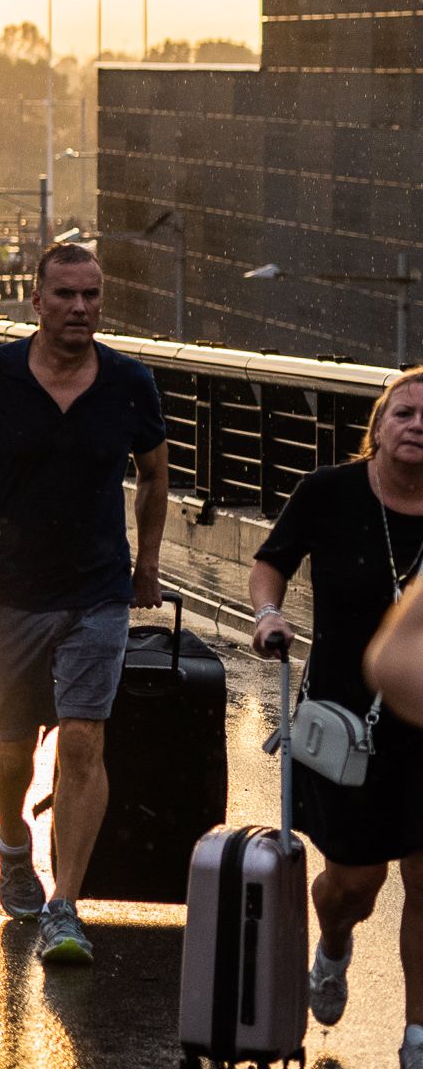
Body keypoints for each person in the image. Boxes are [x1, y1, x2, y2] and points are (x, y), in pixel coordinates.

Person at [0, 245, 170, 968]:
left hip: (98, 590)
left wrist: (145, 564)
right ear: (36, 300)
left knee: (84, 740)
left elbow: (153, 476)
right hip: (13, 592)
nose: (80, 308)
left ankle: (64, 906)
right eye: (65, 295)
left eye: (91, 295)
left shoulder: (129, 383)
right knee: (12, 748)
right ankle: (13, 839)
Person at [251, 370, 423, 1049]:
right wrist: (267, 615)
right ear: (378, 427)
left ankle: (416, 1038)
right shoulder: (329, 492)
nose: (418, 426)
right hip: (344, 726)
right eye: (404, 413)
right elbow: (272, 563)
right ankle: (335, 939)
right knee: (354, 882)